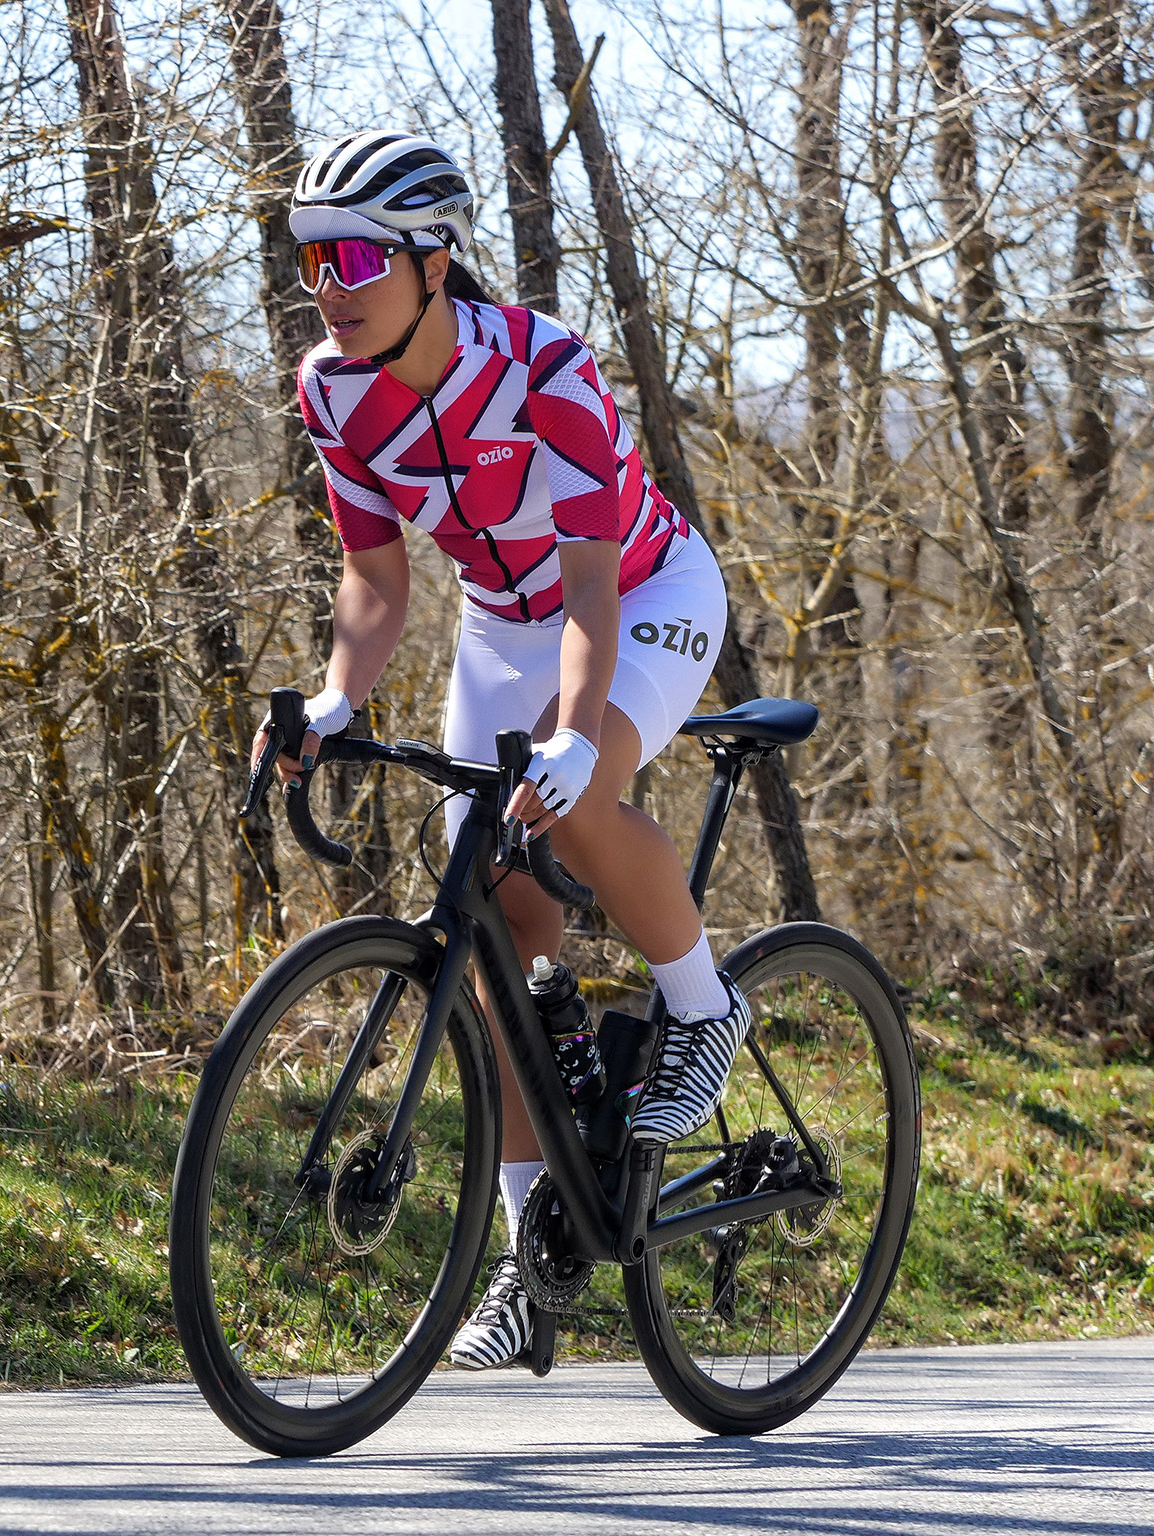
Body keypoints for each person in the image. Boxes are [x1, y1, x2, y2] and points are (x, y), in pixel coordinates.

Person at [254, 130, 752, 1371]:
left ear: (435, 260)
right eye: (313, 257)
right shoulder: (331, 388)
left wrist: (577, 740)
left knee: (569, 803)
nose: (332, 281)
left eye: (361, 254)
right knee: (492, 915)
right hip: (499, 620)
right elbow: (373, 577)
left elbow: (592, 596)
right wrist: (330, 698)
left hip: (638, 595)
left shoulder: (542, 371)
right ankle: (533, 1259)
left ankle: (702, 1005)